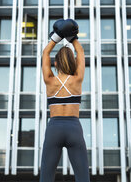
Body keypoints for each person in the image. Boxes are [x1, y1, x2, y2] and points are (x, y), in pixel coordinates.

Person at [39, 19, 90, 182]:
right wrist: (72, 38)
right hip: (74, 128)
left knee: (46, 177)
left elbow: (45, 53)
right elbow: (80, 52)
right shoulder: (77, 79)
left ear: (55, 63)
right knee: (83, 178)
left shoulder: (49, 80)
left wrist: (56, 38)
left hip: (54, 128)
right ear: (73, 63)